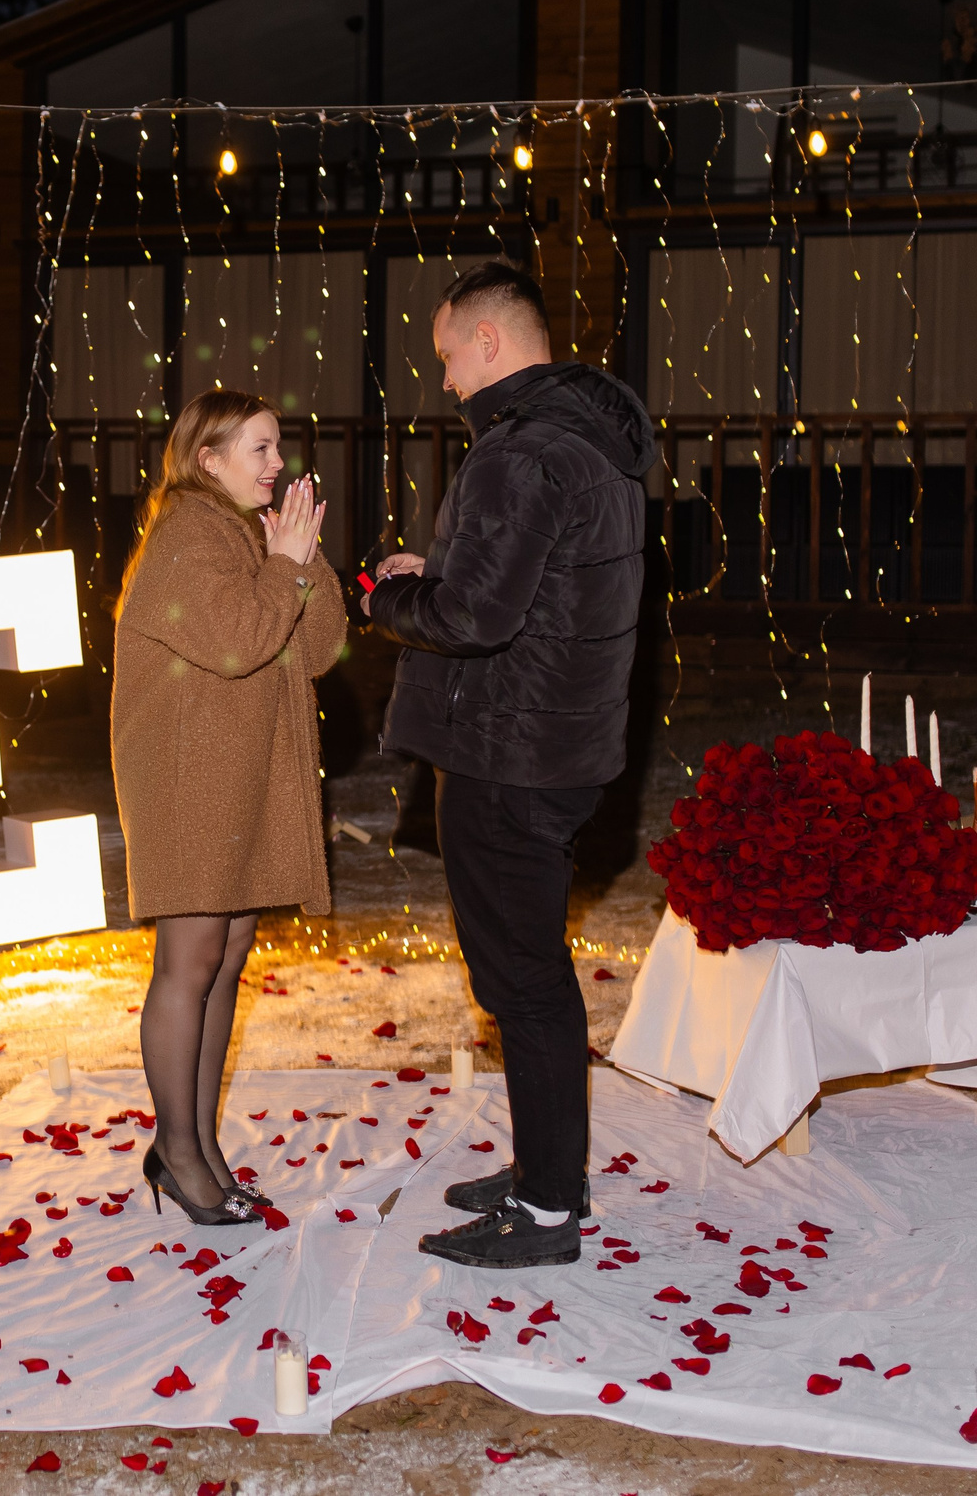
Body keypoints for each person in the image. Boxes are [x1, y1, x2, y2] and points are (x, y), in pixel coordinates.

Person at [362, 258, 655, 1269]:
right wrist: (441, 570)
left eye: (448, 355)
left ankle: (544, 1210)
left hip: (508, 752)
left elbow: (476, 619)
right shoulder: (592, 440)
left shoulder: (518, 452)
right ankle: (550, 1172)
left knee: (522, 980)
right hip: (562, 745)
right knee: (532, 972)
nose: (445, 379)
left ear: (488, 342)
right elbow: (540, 587)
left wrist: (387, 598)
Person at [112, 388, 345, 1224]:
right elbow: (242, 641)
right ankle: (177, 1151)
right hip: (185, 779)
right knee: (189, 960)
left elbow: (315, 649)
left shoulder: (245, 532)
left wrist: (304, 556)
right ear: (207, 459)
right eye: (261, 448)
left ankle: (199, 1144)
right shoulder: (186, 534)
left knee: (227, 950)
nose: (278, 463)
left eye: (278, 446)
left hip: (235, 775)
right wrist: (284, 565)